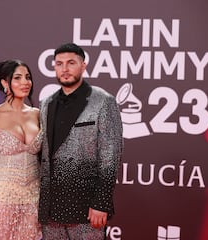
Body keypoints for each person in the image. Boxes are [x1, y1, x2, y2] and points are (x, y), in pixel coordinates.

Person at [38, 43, 123, 240]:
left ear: (83, 66)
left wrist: (101, 203)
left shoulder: (103, 101)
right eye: (59, 64)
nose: (65, 69)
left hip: (86, 207)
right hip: (50, 209)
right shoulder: (46, 103)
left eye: (71, 63)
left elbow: (111, 156)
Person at [0, 59, 42, 240]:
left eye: (28, 77)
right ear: (5, 83)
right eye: (18, 78)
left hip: (33, 198)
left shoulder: (38, 115)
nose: (25, 82)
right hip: (2, 198)